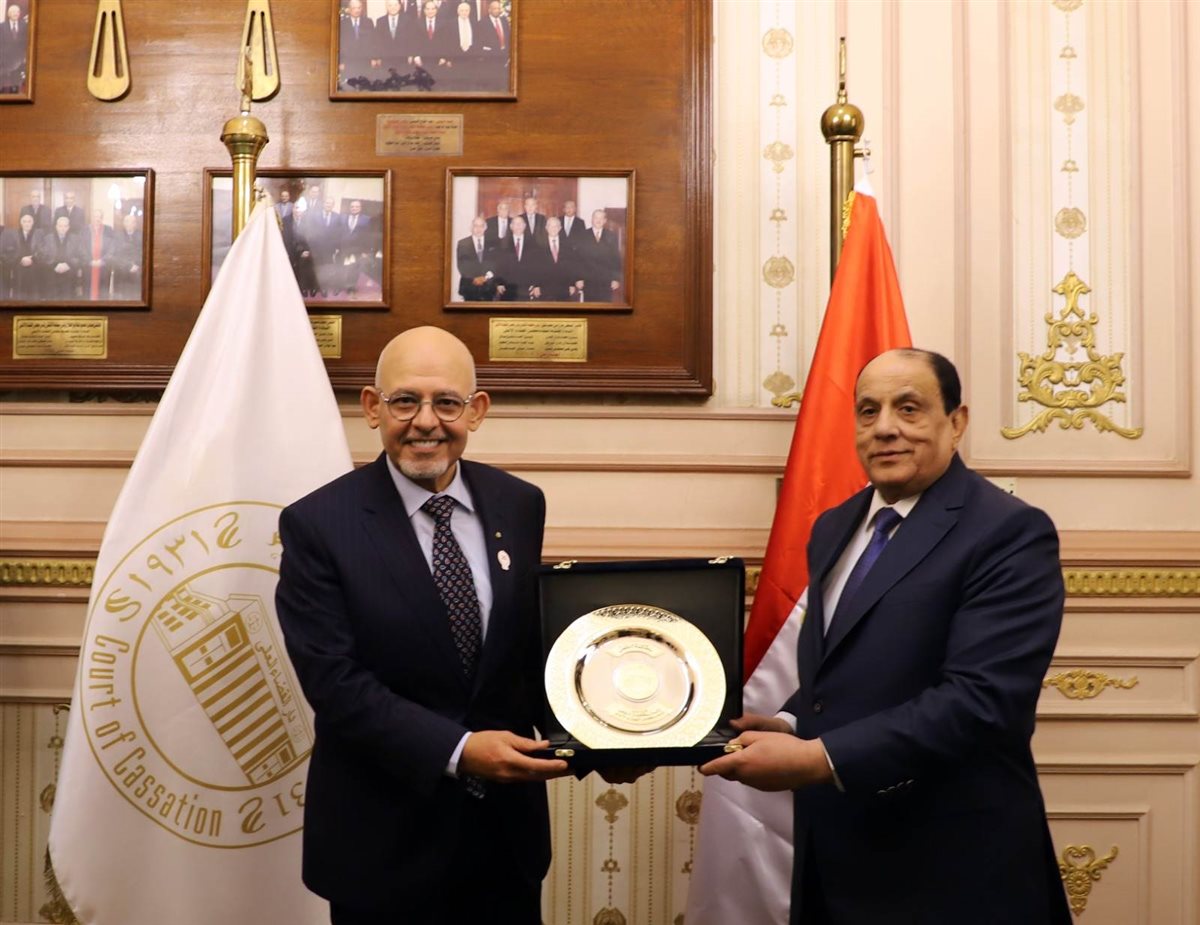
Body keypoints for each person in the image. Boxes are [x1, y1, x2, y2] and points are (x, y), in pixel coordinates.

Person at [700, 348, 1072, 924]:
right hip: (835, 860)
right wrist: (792, 723)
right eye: (868, 411)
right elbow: (845, 665)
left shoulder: (1009, 531)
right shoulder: (835, 526)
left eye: (909, 408)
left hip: (950, 869)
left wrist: (819, 757)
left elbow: (982, 701)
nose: (885, 428)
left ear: (957, 422)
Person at [276, 326, 567, 924]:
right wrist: (459, 750)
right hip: (383, 850)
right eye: (405, 401)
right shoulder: (319, 524)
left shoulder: (519, 503)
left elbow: (527, 654)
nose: (426, 422)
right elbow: (334, 683)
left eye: (447, 402)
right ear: (372, 408)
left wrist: (603, 740)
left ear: (476, 411)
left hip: (504, 846)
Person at [35, 215, 87, 299]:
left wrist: (69, 265)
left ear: (68, 227)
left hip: (69, 276)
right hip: (51, 275)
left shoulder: (76, 239)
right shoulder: (47, 239)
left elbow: (83, 257)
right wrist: (54, 265)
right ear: (56, 227)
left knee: (68, 301)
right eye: (60, 226)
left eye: (65, 226)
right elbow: (41, 256)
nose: (62, 228)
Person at [576, 209, 622, 302]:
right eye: (596, 218)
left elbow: (616, 259)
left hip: (606, 280)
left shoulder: (611, 236)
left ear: (605, 221)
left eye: (601, 218)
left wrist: (616, 279)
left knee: (605, 307)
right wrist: (578, 278)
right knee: (590, 307)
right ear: (592, 219)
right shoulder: (582, 235)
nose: (598, 220)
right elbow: (578, 259)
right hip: (588, 280)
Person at [455, 215, 502, 301]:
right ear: (471, 228)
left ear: (485, 228)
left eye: (481, 226)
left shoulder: (493, 243)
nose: (478, 229)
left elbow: (496, 263)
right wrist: (474, 278)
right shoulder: (463, 243)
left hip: (488, 287)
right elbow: (462, 265)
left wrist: (485, 278)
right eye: (476, 226)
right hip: (470, 286)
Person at [0, 211, 40, 299]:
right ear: (21, 223)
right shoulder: (12, 234)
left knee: (34, 294)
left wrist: (32, 258)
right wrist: (20, 259)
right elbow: (7, 252)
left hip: (35, 266)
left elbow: (42, 250)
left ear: (33, 223)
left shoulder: (38, 234)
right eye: (24, 221)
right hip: (18, 266)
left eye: (29, 221)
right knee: (19, 294)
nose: (27, 224)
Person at [109, 212, 142, 300]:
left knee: (136, 298)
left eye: (131, 222)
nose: (128, 224)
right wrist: (128, 266)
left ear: (135, 224)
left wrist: (136, 265)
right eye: (126, 221)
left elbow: (143, 252)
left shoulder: (141, 236)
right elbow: (114, 254)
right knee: (120, 299)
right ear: (123, 223)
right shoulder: (117, 236)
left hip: (137, 271)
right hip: (121, 271)